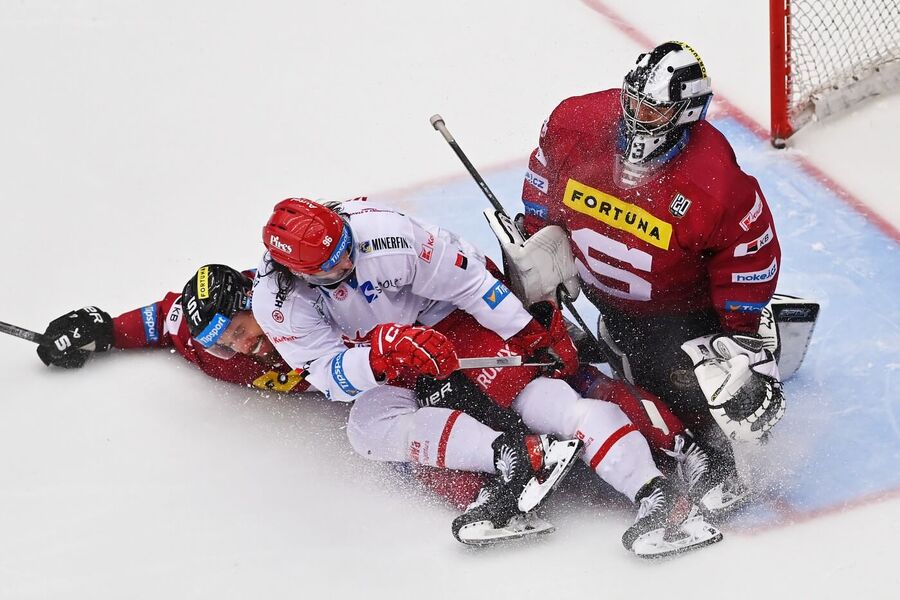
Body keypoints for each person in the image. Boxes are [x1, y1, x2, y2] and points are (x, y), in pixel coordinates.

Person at [251, 196, 722, 555]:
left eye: (346, 247)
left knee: (539, 399)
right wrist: (381, 355)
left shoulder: (386, 233)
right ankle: (512, 459)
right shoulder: (278, 304)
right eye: (331, 266)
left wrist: (528, 335)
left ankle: (657, 488)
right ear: (296, 272)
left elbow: (473, 283)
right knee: (366, 431)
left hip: (451, 319)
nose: (347, 263)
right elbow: (328, 378)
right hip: (387, 359)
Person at [519, 40, 786, 519]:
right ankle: (619, 338)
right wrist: (540, 239)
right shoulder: (576, 124)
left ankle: (718, 454)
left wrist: (738, 334)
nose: (638, 117)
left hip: (677, 309)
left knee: (681, 379)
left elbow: (750, 253)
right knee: (527, 331)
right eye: (634, 102)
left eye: (655, 111)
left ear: (686, 114)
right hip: (601, 291)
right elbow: (542, 171)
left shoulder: (714, 179)